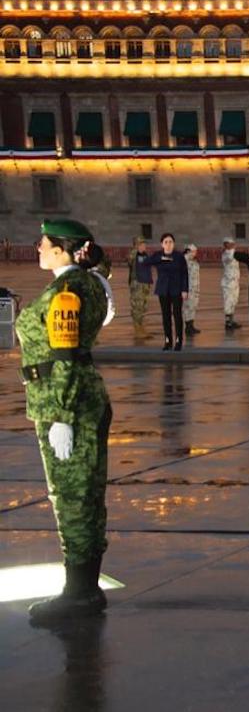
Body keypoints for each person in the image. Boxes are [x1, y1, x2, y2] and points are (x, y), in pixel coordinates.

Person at [16, 219, 112, 625]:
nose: (38, 247)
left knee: (72, 495)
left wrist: (60, 416)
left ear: (65, 250)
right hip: (79, 398)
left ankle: (79, 592)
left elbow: (67, 356)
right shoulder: (87, 283)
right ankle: (84, 586)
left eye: (44, 243)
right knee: (83, 493)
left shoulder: (67, 292)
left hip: (65, 402)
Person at [144, 233, 189, 351]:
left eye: (170, 242)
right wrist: (160, 258)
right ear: (162, 244)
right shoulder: (158, 255)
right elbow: (146, 262)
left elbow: (184, 274)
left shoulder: (179, 256)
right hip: (163, 289)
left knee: (177, 315)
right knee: (166, 316)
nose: (168, 245)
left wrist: (185, 290)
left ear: (174, 244)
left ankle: (179, 340)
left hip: (177, 289)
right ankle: (168, 340)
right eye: (166, 242)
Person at [127, 236, 153, 340]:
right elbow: (129, 259)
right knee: (137, 307)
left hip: (145, 284)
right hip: (137, 284)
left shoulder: (145, 255)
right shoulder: (133, 255)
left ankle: (141, 327)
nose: (144, 246)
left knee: (143, 307)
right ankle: (137, 329)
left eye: (144, 244)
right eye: (141, 244)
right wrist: (135, 249)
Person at [220, 238, 242, 331]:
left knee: (233, 301)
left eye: (233, 243)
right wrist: (233, 249)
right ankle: (228, 322)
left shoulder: (233, 253)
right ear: (226, 245)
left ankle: (231, 320)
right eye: (231, 244)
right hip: (228, 283)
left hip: (235, 282)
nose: (233, 245)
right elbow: (230, 257)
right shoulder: (226, 254)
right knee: (228, 302)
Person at [183, 244, 201, 336]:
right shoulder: (184, 261)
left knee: (193, 307)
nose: (195, 253)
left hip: (195, 288)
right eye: (193, 251)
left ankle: (191, 325)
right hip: (188, 288)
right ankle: (187, 327)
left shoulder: (194, 261)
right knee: (187, 308)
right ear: (188, 251)